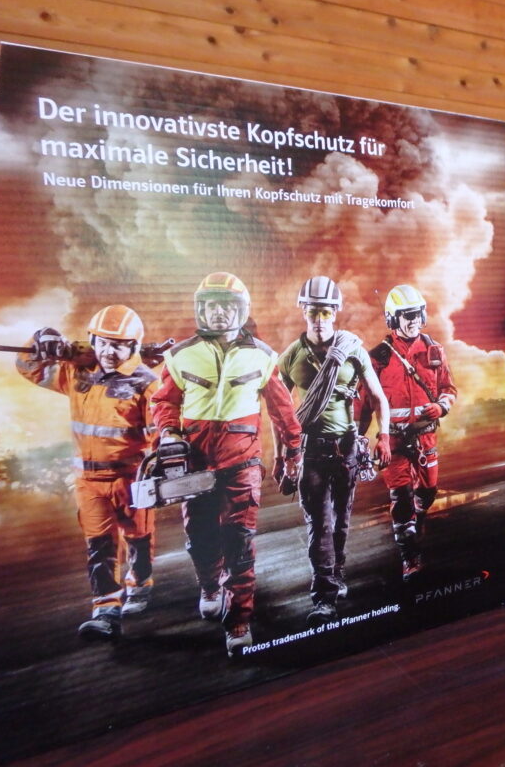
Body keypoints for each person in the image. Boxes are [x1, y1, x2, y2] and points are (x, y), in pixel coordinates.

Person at [151, 272, 302, 658]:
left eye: (227, 306)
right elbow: (164, 402)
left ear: (241, 310)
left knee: (240, 541)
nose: (219, 313)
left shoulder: (263, 356)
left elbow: (283, 411)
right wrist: (168, 433)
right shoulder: (180, 356)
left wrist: (293, 452)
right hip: (196, 466)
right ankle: (209, 585)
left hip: (242, 464)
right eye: (212, 306)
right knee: (199, 539)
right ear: (201, 310)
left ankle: (239, 620)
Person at [16, 305, 158, 640]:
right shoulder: (76, 373)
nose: (109, 351)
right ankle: (106, 611)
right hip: (89, 482)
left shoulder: (146, 383)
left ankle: (140, 581)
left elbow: (159, 431)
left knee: (137, 536)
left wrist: (161, 463)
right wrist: (41, 339)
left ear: (134, 346)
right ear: (91, 341)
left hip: (130, 479)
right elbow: (28, 367)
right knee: (99, 545)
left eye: (118, 345)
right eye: (103, 342)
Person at [277, 276, 391, 627]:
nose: (319, 319)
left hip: (346, 448)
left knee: (340, 522)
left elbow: (378, 397)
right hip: (310, 450)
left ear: (336, 312)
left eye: (326, 311)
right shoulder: (291, 357)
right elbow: (280, 412)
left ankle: (336, 572)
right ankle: (324, 597)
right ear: (303, 311)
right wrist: (282, 456)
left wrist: (384, 436)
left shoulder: (352, 348)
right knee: (320, 524)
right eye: (313, 311)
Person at [361, 285, 456, 580]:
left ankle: (418, 515)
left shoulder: (433, 350)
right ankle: (410, 559)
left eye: (417, 314)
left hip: (426, 437)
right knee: (401, 499)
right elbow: (364, 404)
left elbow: (449, 388)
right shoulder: (377, 358)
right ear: (393, 319)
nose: (414, 320)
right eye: (407, 315)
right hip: (394, 441)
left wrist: (441, 407)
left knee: (428, 491)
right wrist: (358, 439)